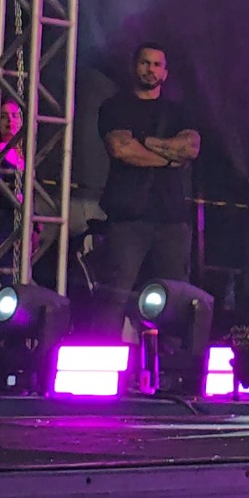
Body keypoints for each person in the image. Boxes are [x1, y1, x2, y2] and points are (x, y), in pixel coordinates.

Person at [96, 43, 200, 328]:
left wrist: (144, 141)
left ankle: (170, 356)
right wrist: (168, 158)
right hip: (127, 218)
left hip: (171, 220)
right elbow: (121, 149)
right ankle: (105, 352)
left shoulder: (178, 112)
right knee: (115, 297)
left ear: (165, 72)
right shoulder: (115, 107)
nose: (150, 69)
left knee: (175, 300)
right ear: (134, 66)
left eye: (156, 65)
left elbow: (190, 149)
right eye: (145, 63)